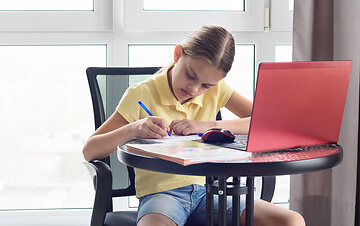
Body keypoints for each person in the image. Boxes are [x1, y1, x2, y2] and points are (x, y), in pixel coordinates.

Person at [83, 25, 305, 226]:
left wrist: (205, 125)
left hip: (210, 193)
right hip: (162, 196)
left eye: (206, 85)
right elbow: (90, 149)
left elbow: (271, 121)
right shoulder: (141, 93)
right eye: (190, 75)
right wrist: (133, 129)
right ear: (178, 54)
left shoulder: (218, 90)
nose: (195, 89)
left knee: (291, 220)